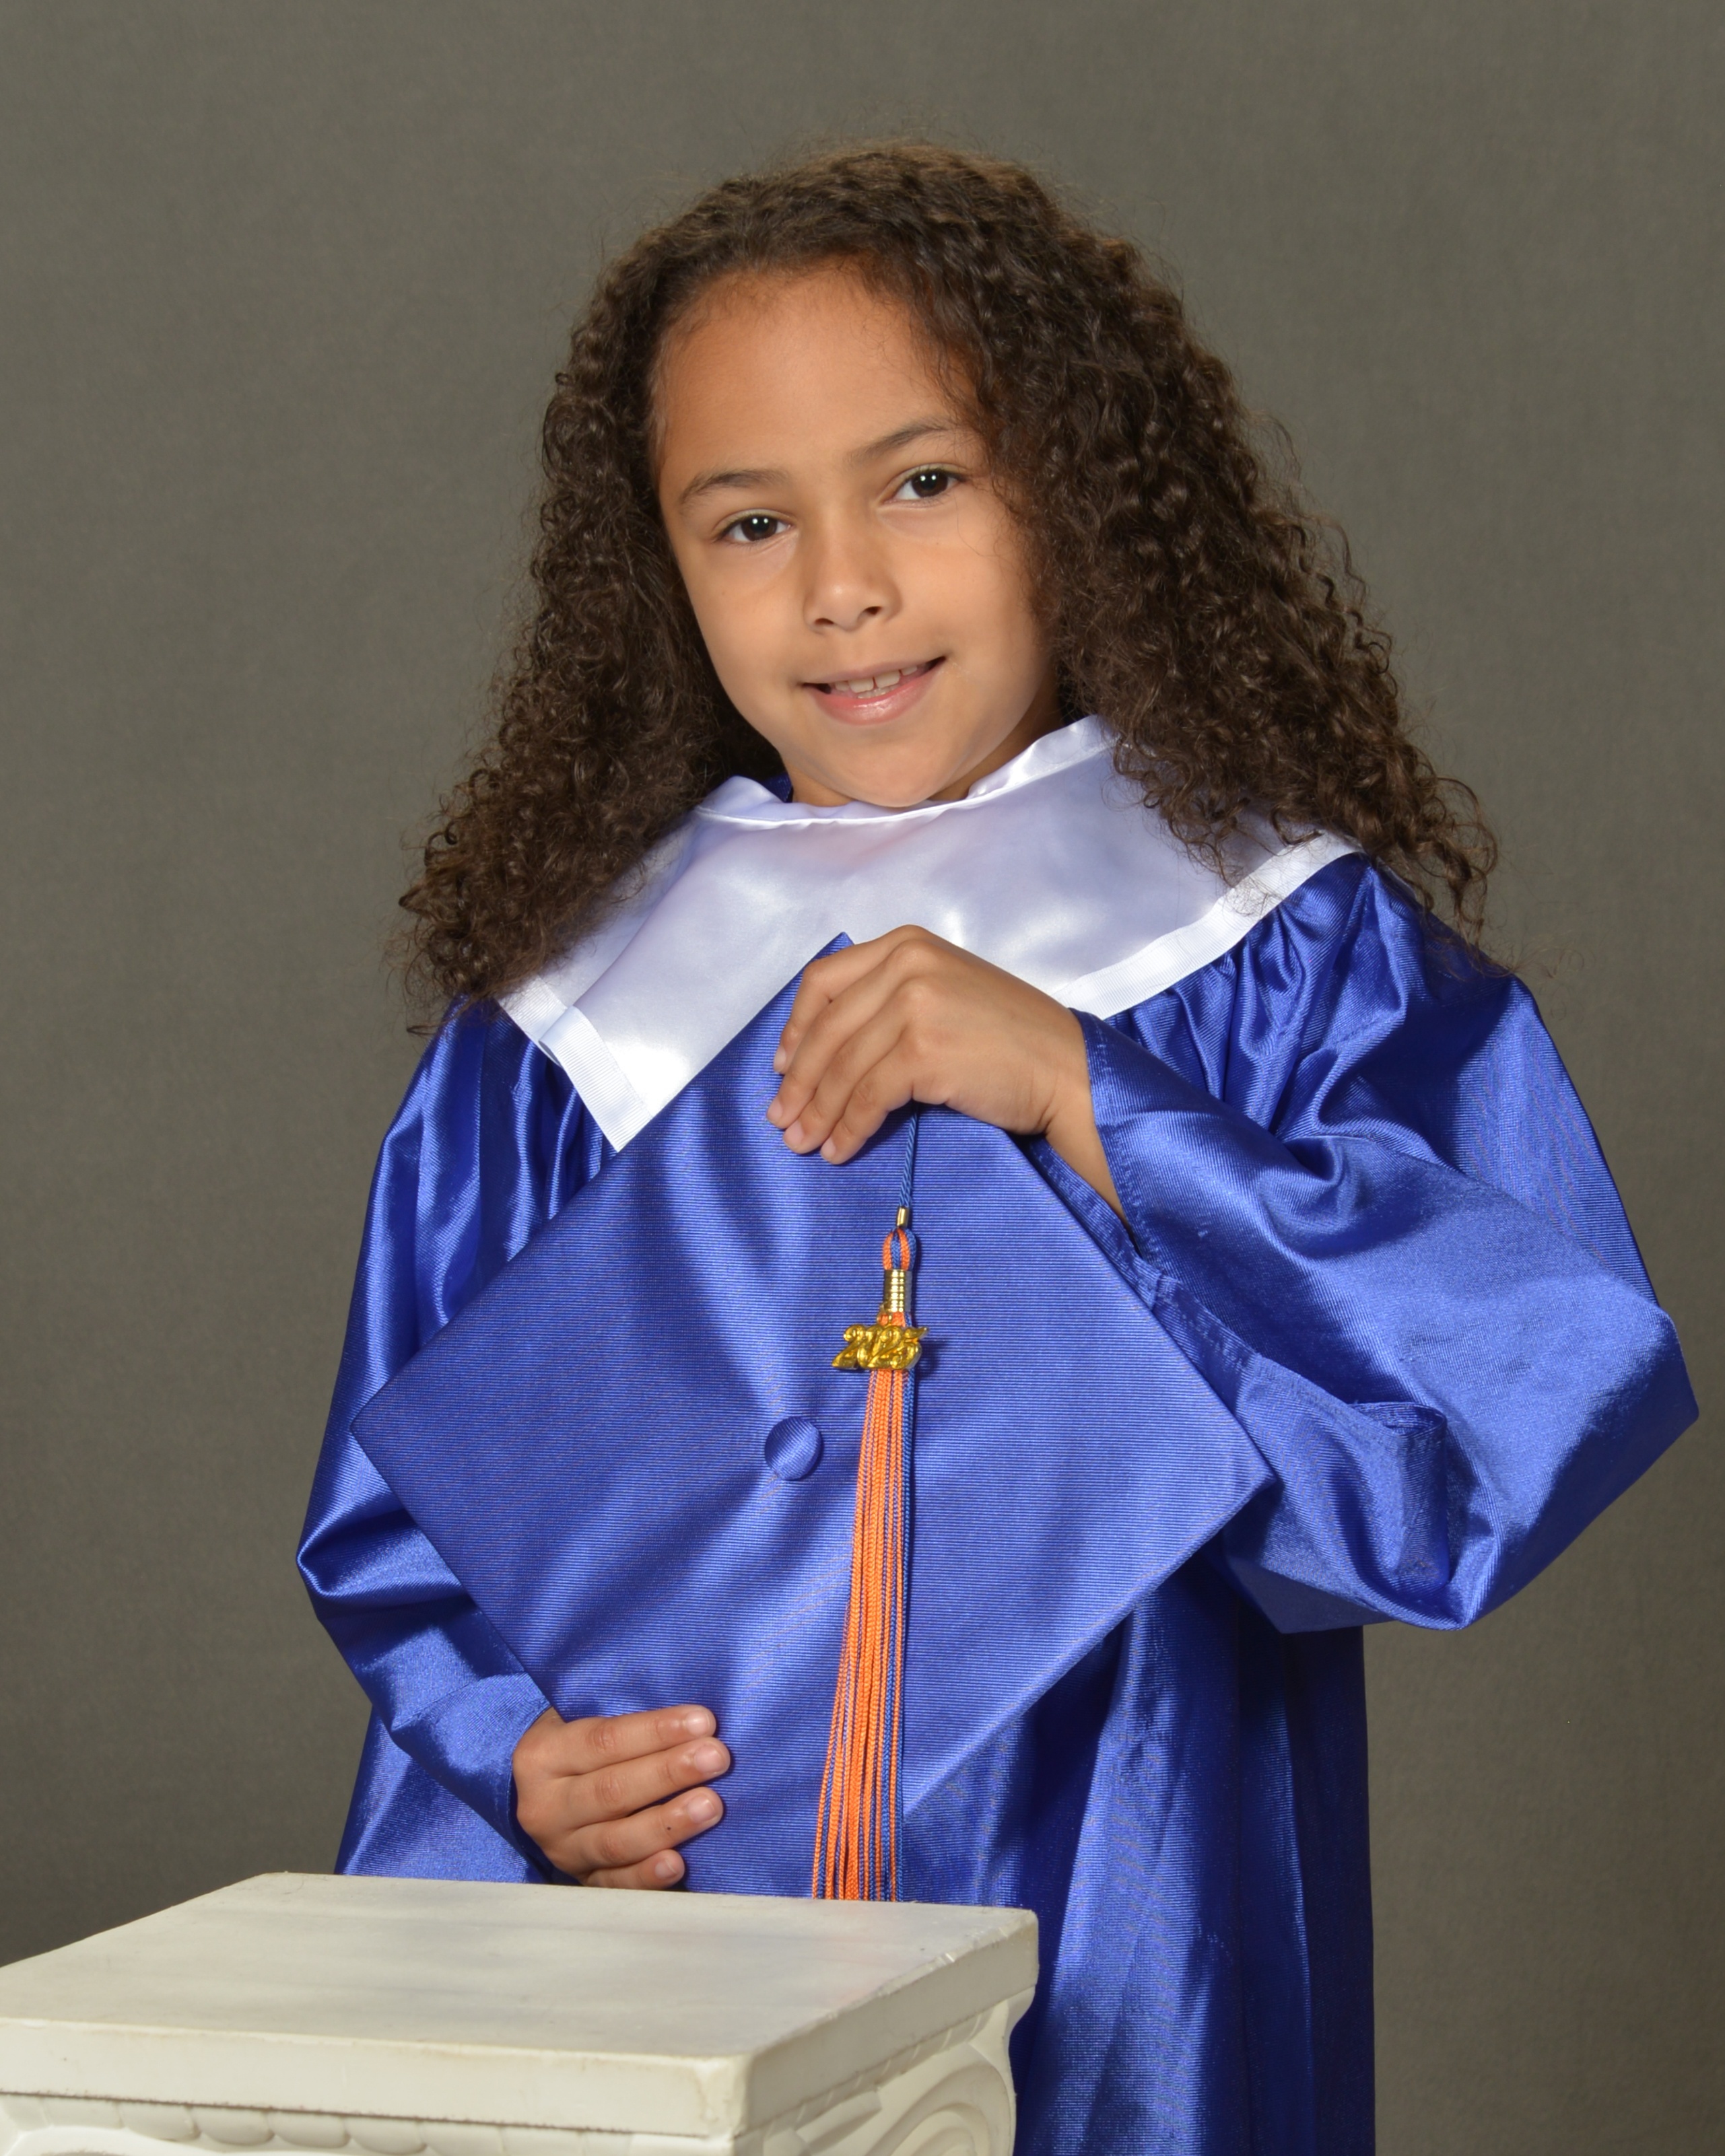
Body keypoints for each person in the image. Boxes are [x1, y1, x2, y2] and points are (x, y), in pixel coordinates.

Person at [299, 144, 1694, 2155]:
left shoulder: (1260, 945)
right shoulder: (571, 1019)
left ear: (1077, 492)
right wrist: (513, 1753)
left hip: (1124, 1886)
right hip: (658, 1929)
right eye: (749, 521)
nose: (841, 584)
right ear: (659, 572)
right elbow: (405, 1499)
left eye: (923, 482)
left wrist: (1084, 1092)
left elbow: (1516, 1385)